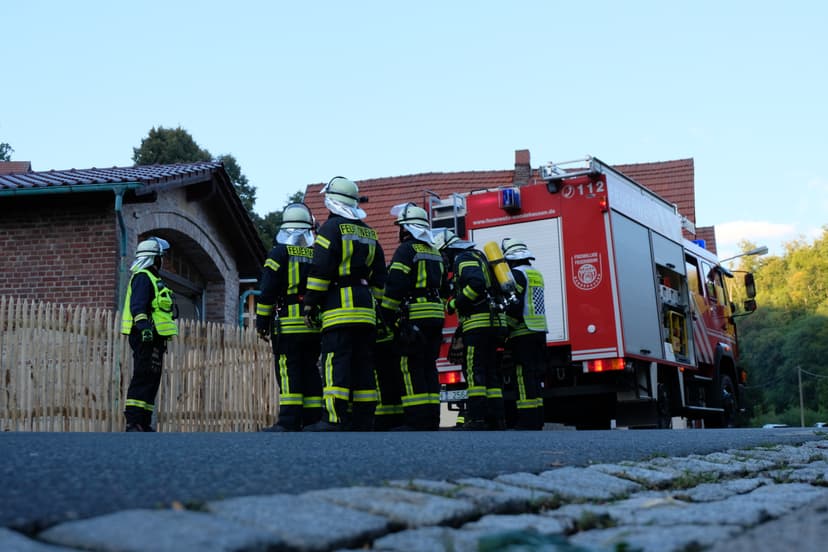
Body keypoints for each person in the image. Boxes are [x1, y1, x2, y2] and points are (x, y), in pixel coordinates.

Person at [302, 177, 387, 431]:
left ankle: (334, 419)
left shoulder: (330, 229)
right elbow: (380, 277)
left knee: (335, 361)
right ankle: (363, 419)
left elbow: (320, 270)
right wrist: (376, 306)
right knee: (363, 364)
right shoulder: (370, 232)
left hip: (339, 308)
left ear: (332, 201)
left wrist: (310, 304)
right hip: (366, 309)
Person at [379, 203, 446, 430]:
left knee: (410, 366)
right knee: (429, 366)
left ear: (406, 229)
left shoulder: (407, 250)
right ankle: (431, 419)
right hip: (436, 315)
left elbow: (396, 283)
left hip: (415, 316)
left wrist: (386, 314)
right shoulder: (435, 251)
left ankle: (416, 420)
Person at [256, 203, 322, 432]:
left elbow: (267, 291)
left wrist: (261, 323)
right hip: (313, 324)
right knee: (311, 369)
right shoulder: (316, 253)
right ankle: (313, 420)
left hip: (288, 324)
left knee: (288, 369)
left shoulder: (279, 253)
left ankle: (288, 421)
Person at [433, 228, 507, 430]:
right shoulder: (477, 256)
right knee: (491, 372)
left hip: (478, 325)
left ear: (448, 250)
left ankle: (477, 419)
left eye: (443, 254)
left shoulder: (462, 258)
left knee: (475, 371)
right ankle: (497, 419)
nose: (444, 259)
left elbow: (476, 284)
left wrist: (453, 304)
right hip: (493, 322)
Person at [120, 237, 178, 432]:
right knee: (143, 375)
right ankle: (133, 421)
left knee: (152, 377)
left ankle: (144, 421)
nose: (163, 261)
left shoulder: (154, 279)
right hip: (144, 335)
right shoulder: (143, 277)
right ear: (154, 258)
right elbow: (138, 306)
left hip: (155, 337)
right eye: (161, 257)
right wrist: (144, 328)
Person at [501, 238, 547, 430]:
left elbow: (515, 305)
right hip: (539, 331)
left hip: (522, 332)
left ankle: (527, 420)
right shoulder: (536, 273)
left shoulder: (517, 275)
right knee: (535, 376)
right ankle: (537, 419)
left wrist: (505, 331)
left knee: (522, 375)